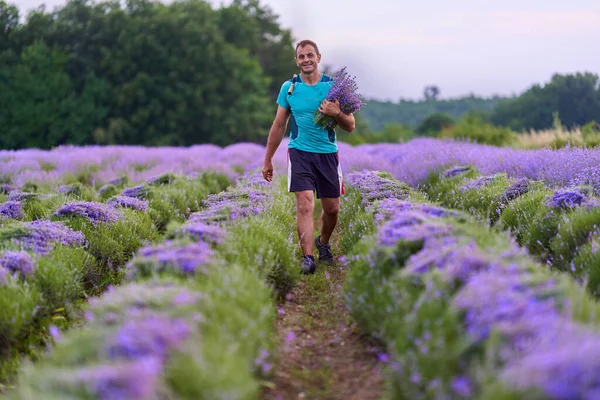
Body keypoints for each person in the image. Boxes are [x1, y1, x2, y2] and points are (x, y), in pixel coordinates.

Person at [261, 39, 356, 275]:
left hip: (327, 154)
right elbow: (279, 124)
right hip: (299, 152)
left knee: (332, 209)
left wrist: (337, 113)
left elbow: (351, 125)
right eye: (301, 56)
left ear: (318, 57)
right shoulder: (289, 88)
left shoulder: (334, 87)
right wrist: (268, 159)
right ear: (297, 61)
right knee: (304, 204)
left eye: (309, 55)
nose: (306, 60)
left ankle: (322, 243)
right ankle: (308, 258)